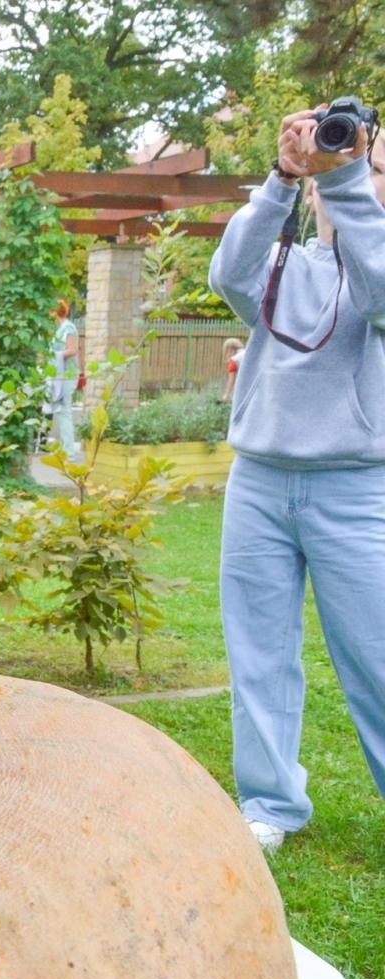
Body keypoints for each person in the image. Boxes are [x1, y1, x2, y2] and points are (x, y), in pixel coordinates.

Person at [207, 105, 385, 852]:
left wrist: (345, 183)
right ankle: (271, 805)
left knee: (375, 658)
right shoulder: (289, 266)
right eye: (342, 172)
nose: (351, 178)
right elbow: (230, 274)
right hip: (259, 484)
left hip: (357, 491)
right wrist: (283, 175)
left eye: (372, 170)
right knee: (259, 655)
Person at [45, 300, 85, 457]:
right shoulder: (60, 329)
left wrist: (53, 356)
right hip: (59, 375)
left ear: (55, 312)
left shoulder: (68, 328)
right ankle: (65, 449)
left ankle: (69, 451)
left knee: (64, 411)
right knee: (60, 411)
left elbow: (72, 350)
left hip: (66, 375)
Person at [219, 336, 245, 403]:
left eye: (226, 351)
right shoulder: (247, 353)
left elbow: (231, 381)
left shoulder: (234, 360)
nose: (226, 354)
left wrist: (226, 395)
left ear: (230, 350)